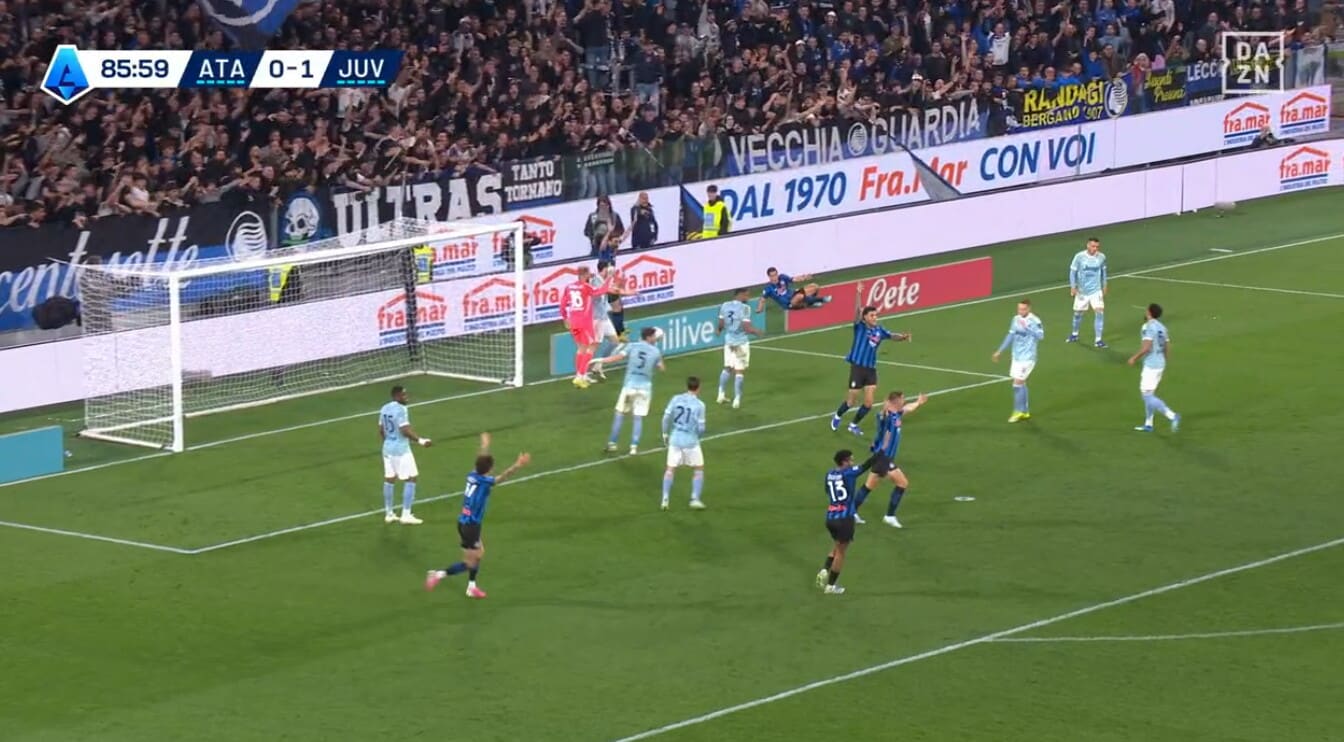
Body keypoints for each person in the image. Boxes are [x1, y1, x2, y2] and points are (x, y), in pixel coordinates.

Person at [424, 433, 531, 599]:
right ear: (489, 469)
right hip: (471, 526)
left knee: (479, 553)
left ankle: (471, 586)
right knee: (470, 562)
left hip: (463, 522)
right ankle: (438, 575)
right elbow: (503, 477)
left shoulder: (472, 475)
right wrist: (518, 464)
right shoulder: (485, 481)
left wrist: (485, 445)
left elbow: (480, 461)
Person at [831, 284, 910, 436]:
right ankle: (837, 416)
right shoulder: (859, 327)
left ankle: (853, 425)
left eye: (876, 315)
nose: (875, 318)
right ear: (865, 317)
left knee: (868, 404)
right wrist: (858, 294)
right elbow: (857, 312)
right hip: (857, 368)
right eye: (872, 315)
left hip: (870, 369)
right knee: (851, 401)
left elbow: (892, 336)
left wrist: (902, 337)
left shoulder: (880, 330)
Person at [854, 391, 928, 529]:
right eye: (902, 399)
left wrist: (918, 402)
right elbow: (883, 416)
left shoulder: (896, 414)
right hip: (883, 457)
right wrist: (886, 406)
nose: (904, 401)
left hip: (882, 456)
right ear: (896, 401)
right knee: (902, 483)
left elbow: (907, 408)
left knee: (869, 485)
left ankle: (852, 512)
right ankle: (890, 516)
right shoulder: (886, 416)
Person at [600, 327, 665, 454]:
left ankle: (612, 443)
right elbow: (662, 368)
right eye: (654, 336)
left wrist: (601, 361)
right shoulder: (656, 351)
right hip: (645, 389)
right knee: (637, 417)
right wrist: (656, 358)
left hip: (629, 386)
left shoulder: (632, 346)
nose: (655, 338)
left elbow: (617, 357)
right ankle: (633, 447)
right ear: (649, 337)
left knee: (620, 414)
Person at [818, 449, 873, 595]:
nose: (852, 462)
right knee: (841, 553)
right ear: (844, 461)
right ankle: (831, 586)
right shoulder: (848, 473)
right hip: (844, 519)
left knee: (837, 545)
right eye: (850, 460)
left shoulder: (829, 474)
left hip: (830, 517)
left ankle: (825, 569)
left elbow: (827, 491)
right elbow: (866, 466)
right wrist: (881, 452)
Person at [379, 385, 432, 525]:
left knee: (389, 479)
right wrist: (420, 441)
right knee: (411, 478)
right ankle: (406, 515)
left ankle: (389, 514)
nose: (406, 397)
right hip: (401, 451)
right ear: (396, 396)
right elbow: (404, 430)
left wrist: (388, 444)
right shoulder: (401, 409)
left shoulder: (384, 408)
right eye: (403, 395)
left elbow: (381, 430)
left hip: (387, 449)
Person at [1128, 303, 1181, 433]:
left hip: (1151, 365)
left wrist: (1134, 358)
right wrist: (1164, 361)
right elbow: (1167, 347)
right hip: (1160, 364)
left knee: (1147, 396)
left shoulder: (1148, 327)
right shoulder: (1162, 328)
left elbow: (1146, 347)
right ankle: (1148, 424)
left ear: (1149, 312)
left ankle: (1172, 415)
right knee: (1150, 394)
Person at [992, 299, 1046, 423]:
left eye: (1023, 309)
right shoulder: (1015, 319)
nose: (1020, 311)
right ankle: (1025, 411)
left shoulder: (1035, 321)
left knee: (1017, 384)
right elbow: (1010, 335)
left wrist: (1027, 328)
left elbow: (1041, 336)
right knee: (1021, 383)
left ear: (1029, 309)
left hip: (1028, 357)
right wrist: (1000, 351)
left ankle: (1017, 411)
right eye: (1019, 309)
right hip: (1016, 356)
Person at [559, 265, 612, 389]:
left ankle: (579, 375)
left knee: (580, 349)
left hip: (573, 321)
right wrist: (609, 277)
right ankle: (580, 376)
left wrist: (565, 318)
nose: (590, 275)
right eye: (588, 273)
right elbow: (601, 291)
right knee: (588, 348)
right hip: (584, 322)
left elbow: (562, 304)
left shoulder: (569, 287)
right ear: (584, 274)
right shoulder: (586, 287)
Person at [661, 376, 707, 511]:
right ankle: (695, 499)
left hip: (675, 439)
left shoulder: (675, 399)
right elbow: (701, 428)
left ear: (687, 386)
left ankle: (665, 498)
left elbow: (666, 417)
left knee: (670, 469)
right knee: (698, 468)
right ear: (698, 388)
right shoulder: (700, 405)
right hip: (691, 441)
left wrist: (665, 434)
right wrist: (698, 436)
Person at [587, 260, 637, 380]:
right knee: (594, 346)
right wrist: (629, 293)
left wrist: (624, 289)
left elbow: (614, 289)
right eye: (609, 269)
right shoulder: (596, 280)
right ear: (604, 269)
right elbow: (611, 290)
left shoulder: (604, 280)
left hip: (604, 317)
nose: (611, 271)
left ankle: (598, 365)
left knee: (615, 342)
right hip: (597, 318)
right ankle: (582, 372)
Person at [716, 287, 763, 408]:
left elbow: (721, 323)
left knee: (727, 368)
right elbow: (747, 327)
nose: (748, 298)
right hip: (740, 343)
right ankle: (737, 399)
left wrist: (719, 330)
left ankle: (721, 395)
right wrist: (756, 331)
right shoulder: (745, 308)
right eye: (746, 295)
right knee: (739, 371)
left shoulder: (725, 305)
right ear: (740, 295)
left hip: (729, 342)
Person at [1068, 237, 1109, 347]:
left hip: (1096, 290)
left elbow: (1104, 272)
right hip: (1082, 291)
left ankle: (1098, 340)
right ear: (1088, 245)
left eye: (1097, 247)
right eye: (1093, 246)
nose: (1095, 249)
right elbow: (1072, 272)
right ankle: (1074, 334)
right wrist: (1073, 286)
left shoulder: (1101, 257)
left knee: (1099, 312)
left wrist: (1105, 285)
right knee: (1077, 314)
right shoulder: (1079, 257)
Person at [755, 267, 828, 312]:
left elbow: (794, 279)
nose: (774, 277)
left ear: (777, 274)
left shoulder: (782, 277)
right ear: (769, 277)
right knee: (799, 296)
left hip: (793, 294)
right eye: (772, 276)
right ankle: (821, 299)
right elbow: (762, 299)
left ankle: (810, 303)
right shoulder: (768, 288)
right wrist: (759, 309)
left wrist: (804, 277)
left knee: (814, 286)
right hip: (789, 303)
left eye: (775, 275)